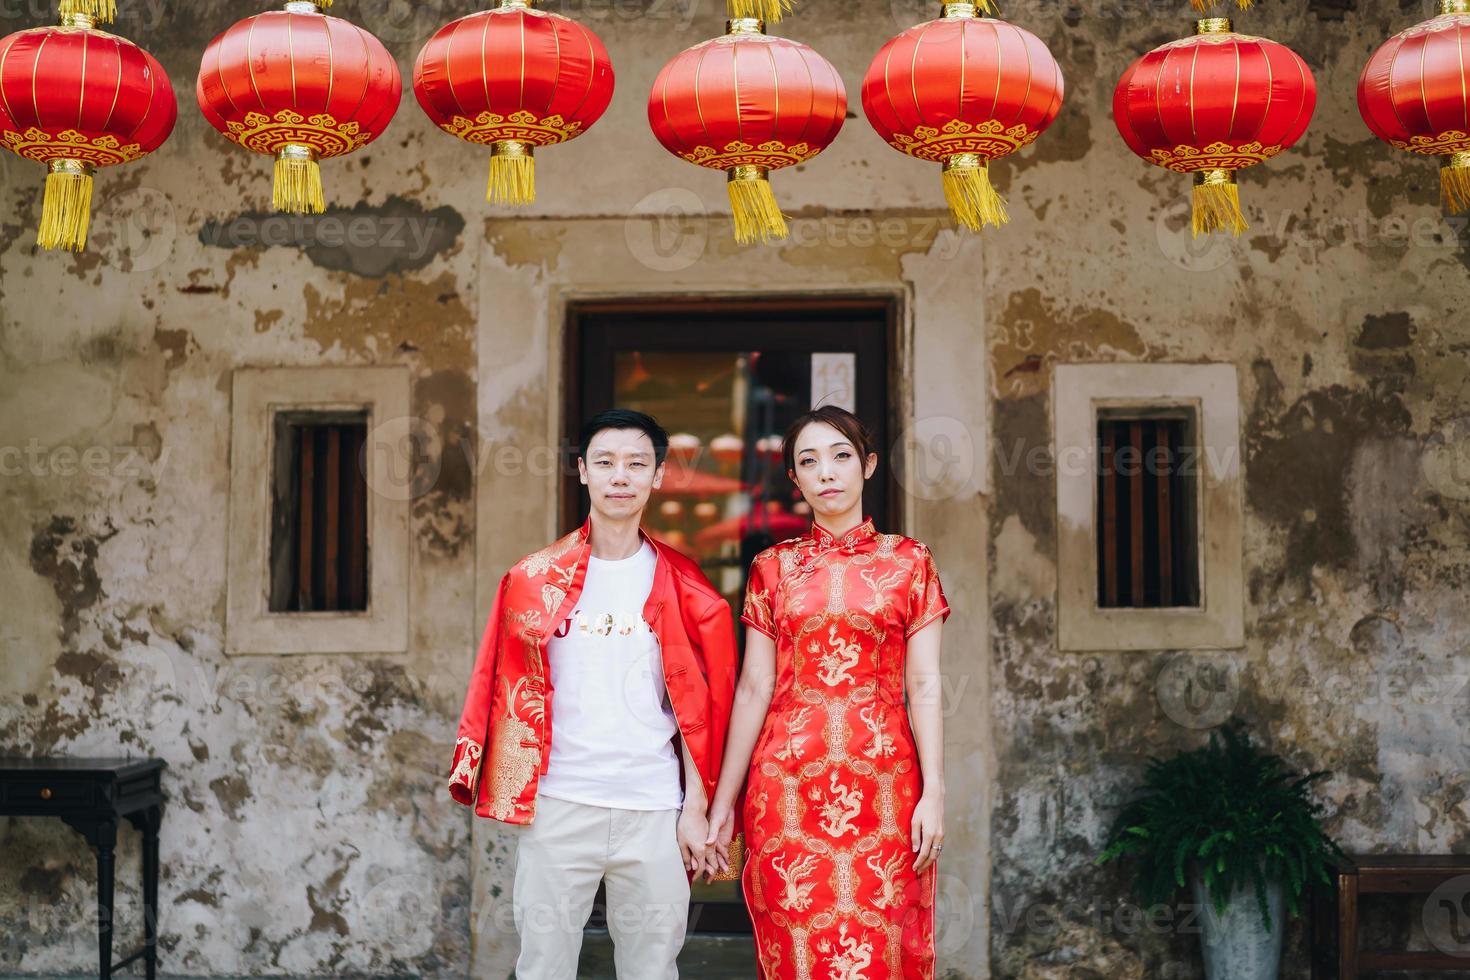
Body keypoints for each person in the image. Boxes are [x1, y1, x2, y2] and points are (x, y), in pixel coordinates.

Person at [446, 409, 740, 980]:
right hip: (559, 803)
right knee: (544, 968)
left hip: (654, 808)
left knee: (652, 968)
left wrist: (696, 809)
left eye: (637, 463)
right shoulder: (532, 579)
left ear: (658, 477)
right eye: (605, 463)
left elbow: (708, 707)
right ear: (582, 472)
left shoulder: (688, 587)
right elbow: (493, 679)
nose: (620, 476)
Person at [705, 405, 951, 979]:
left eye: (841, 456)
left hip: (885, 786)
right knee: (797, 950)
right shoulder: (772, 568)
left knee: (885, 943)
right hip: (786, 788)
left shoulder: (910, 562)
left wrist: (934, 789)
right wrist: (724, 804)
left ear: (867, 465)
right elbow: (753, 688)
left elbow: (925, 683)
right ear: (794, 480)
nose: (827, 472)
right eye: (808, 462)